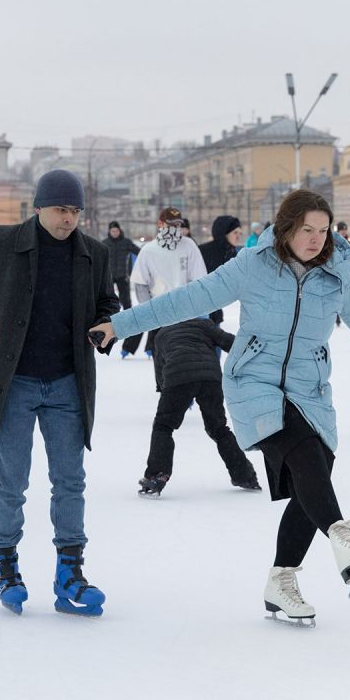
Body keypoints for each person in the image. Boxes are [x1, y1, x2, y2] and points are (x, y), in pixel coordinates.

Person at [88, 190, 350, 626]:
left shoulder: (338, 274)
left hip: (311, 388)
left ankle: (281, 582)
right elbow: (186, 299)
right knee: (305, 455)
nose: (315, 239)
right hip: (254, 383)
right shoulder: (254, 264)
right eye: (306, 229)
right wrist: (119, 325)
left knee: (314, 478)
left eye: (323, 230)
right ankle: (343, 534)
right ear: (286, 227)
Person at [0, 168, 118, 617]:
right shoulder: (4, 242)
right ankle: (6, 562)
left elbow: (107, 303)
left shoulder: (94, 253)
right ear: (38, 207)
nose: (67, 219)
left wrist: (109, 326)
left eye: (75, 211)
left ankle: (70, 570)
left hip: (68, 383)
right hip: (12, 382)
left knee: (70, 481)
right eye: (59, 209)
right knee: (12, 482)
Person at [138, 317, 261, 498]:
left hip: (178, 377)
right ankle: (245, 476)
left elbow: (160, 369)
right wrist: (256, 354)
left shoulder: (161, 333)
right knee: (219, 428)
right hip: (210, 378)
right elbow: (231, 343)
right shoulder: (202, 325)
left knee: (164, 426)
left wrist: (167, 391)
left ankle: (157, 475)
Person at [131, 206, 208, 358]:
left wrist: (201, 312)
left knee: (185, 361)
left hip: (186, 314)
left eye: (177, 225)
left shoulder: (189, 245)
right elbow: (140, 284)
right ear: (160, 224)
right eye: (170, 225)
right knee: (163, 364)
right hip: (160, 315)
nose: (174, 229)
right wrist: (149, 311)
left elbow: (200, 280)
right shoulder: (148, 250)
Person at [103, 220, 142, 357]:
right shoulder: (105, 243)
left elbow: (139, 251)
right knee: (107, 299)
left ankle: (128, 320)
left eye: (116, 231)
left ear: (119, 231)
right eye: (112, 231)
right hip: (109, 276)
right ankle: (107, 320)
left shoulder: (126, 242)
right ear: (109, 232)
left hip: (122, 276)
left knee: (126, 301)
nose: (114, 233)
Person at [198, 215, 243, 324]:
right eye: (235, 233)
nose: (238, 237)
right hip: (198, 311)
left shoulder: (233, 254)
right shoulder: (203, 251)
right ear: (224, 234)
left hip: (216, 311)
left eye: (239, 233)